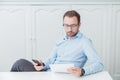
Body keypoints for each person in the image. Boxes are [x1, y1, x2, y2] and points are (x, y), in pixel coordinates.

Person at [11, 10, 104, 76]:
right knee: (19, 63)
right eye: (66, 25)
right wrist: (42, 65)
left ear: (79, 25)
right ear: (63, 24)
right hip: (48, 73)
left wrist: (82, 71)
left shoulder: (85, 42)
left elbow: (99, 64)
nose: (69, 29)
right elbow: (50, 60)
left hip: (65, 76)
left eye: (73, 25)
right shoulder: (60, 41)